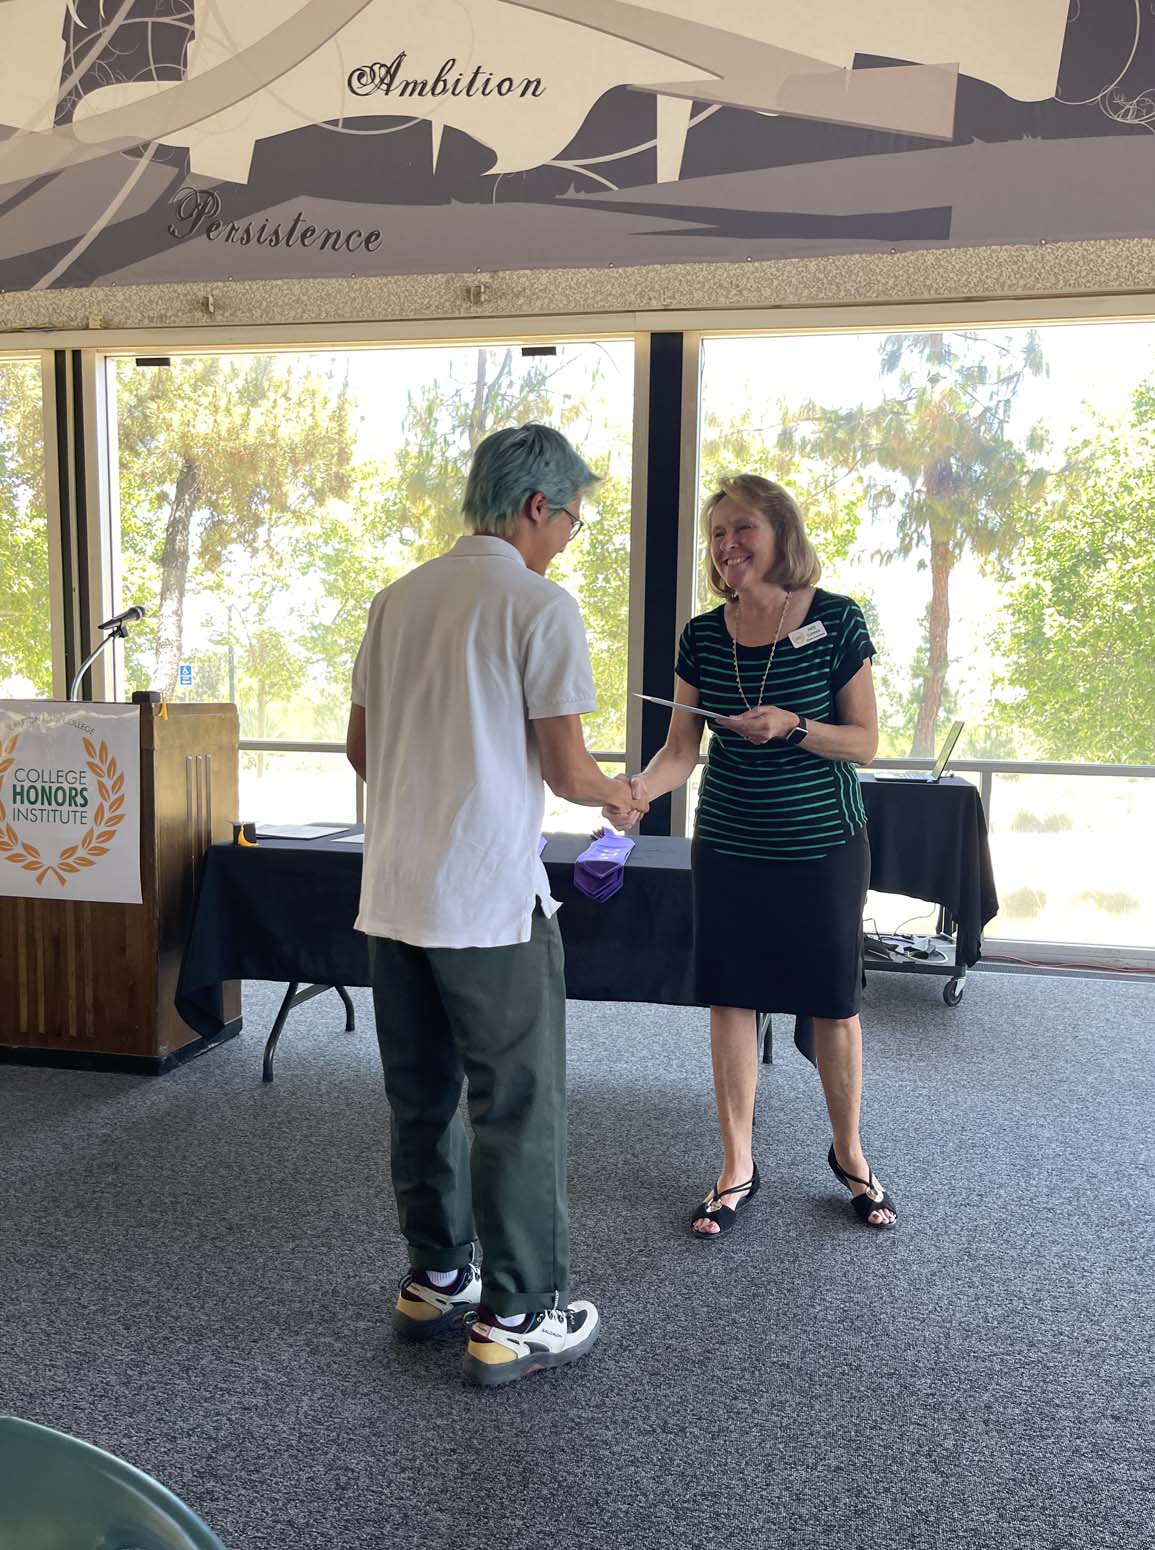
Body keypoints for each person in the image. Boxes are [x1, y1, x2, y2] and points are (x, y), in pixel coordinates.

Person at [346, 422, 645, 1387]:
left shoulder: (395, 601)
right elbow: (567, 771)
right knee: (518, 1105)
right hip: (488, 906)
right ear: (533, 507)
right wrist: (620, 793)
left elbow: (361, 750)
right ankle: (517, 1314)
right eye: (570, 517)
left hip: (395, 898)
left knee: (420, 1096)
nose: (569, 535)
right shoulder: (540, 605)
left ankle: (435, 1276)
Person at [606, 472, 897, 1236]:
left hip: (822, 847)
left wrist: (795, 727)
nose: (728, 545)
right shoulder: (702, 635)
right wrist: (638, 789)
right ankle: (737, 1164)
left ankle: (850, 1155)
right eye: (717, 535)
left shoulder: (836, 620)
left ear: (780, 533)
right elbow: (679, 751)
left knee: (833, 1002)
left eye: (742, 529)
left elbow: (865, 743)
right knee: (730, 996)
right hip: (730, 845)